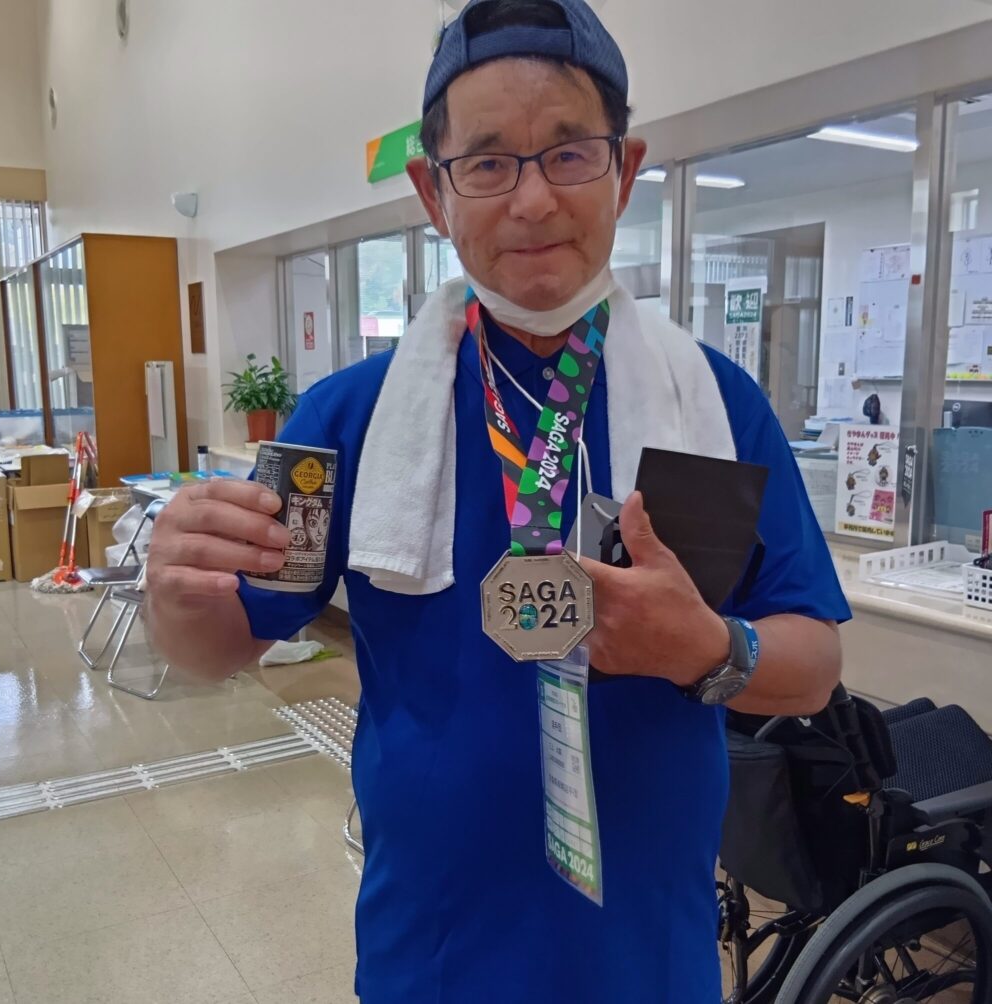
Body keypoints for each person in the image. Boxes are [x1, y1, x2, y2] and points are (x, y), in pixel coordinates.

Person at [146, 1, 850, 1000]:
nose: (532, 200)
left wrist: (703, 647)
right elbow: (219, 645)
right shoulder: (345, 420)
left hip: (651, 966)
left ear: (625, 170)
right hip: (429, 962)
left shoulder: (713, 404)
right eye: (486, 162)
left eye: (569, 153)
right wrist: (175, 593)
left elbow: (814, 665)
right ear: (432, 191)